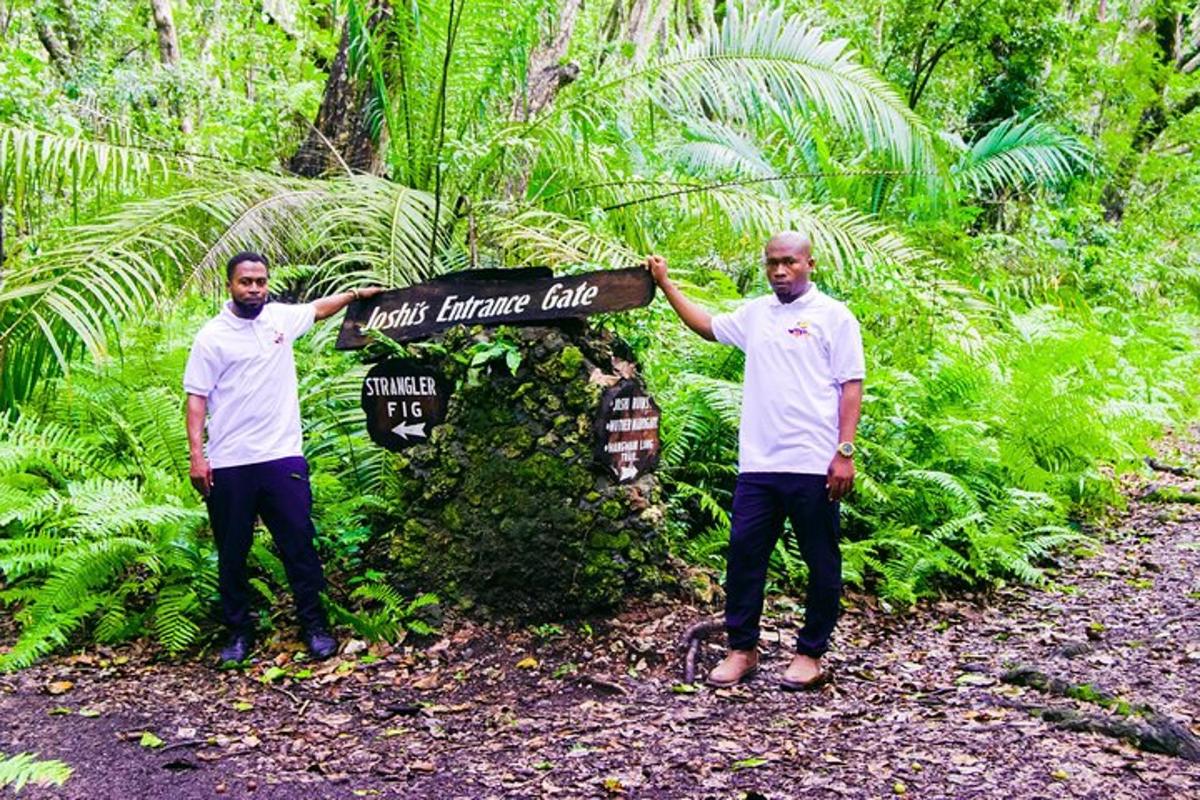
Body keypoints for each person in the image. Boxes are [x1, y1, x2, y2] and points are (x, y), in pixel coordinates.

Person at [646, 232, 864, 690]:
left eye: (789, 262)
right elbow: (707, 325)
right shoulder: (756, 315)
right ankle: (742, 648)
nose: (779, 271)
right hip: (759, 464)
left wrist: (844, 451)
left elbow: (851, 384)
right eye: (771, 264)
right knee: (745, 557)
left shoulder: (834, 317)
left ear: (810, 263)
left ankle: (810, 654)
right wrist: (665, 284)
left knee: (820, 561)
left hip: (812, 462)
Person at [184, 251, 383, 664]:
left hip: (282, 457)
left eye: (260, 281)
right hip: (231, 462)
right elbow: (196, 398)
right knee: (233, 553)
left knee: (299, 547)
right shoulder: (211, 337)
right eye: (245, 282)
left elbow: (317, 309)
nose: (254, 288)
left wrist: (355, 294)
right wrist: (197, 457)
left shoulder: (279, 319)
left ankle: (315, 627)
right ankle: (239, 634)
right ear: (230, 285)